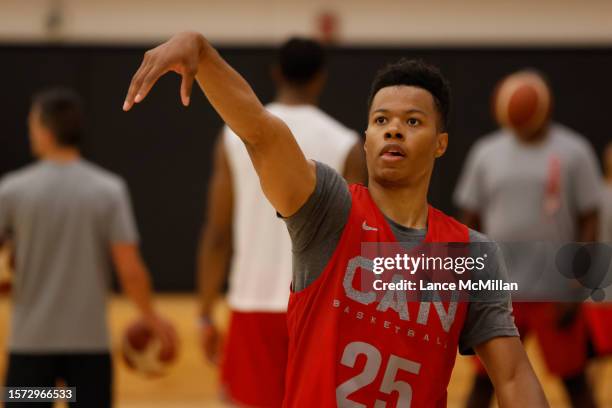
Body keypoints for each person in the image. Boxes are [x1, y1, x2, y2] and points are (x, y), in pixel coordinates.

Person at [123, 31, 548, 407]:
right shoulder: (329, 210)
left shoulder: (471, 253)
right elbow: (259, 131)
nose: (393, 130)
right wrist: (202, 51)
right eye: (382, 120)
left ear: (440, 144)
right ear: (365, 138)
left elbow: (511, 375)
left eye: (412, 121)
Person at [197, 37, 365, 407]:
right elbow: (358, 243)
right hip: (318, 311)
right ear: (320, 78)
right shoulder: (347, 143)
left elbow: (217, 233)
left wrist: (205, 315)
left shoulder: (232, 136)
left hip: (251, 305)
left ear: (276, 73)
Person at [0, 88, 177, 408]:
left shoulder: (13, 190)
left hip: (29, 347)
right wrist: (150, 317)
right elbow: (129, 268)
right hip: (90, 348)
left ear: (43, 128)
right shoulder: (108, 190)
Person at [454, 70, 601, 408]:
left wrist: (578, 284)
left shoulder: (574, 151)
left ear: (545, 108)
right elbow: (469, 219)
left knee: (575, 382)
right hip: (499, 289)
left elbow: (590, 219)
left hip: (554, 288)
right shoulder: (486, 152)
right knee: (483, 383)